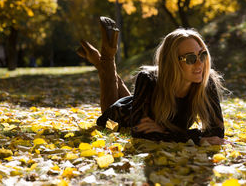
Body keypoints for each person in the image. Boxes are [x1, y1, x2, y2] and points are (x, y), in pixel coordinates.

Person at [77, 17, 228, 145]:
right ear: (172, 63)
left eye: (202, 55)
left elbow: (217, 133)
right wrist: (195, 137)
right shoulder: (148, 78)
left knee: (132, 97)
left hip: (140, 104)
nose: (200, 63)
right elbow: (140, 132)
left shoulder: (206, 81)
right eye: (190, 58)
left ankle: (99, 61)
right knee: (112, 94)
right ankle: (107, 58)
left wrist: (165, 132)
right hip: (122, 115)